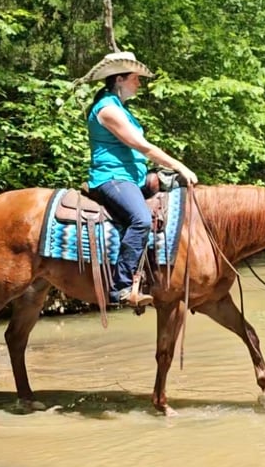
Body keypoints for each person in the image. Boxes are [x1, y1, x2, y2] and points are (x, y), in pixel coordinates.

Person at [78, 51, 198, 307]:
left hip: (133, 176)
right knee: (141, 219)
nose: (139, 84)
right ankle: (120, 287)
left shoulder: (118, 106)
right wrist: (180, 166)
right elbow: (143, 146)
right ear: (119, 79)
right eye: (135, 79)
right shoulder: (108, 110)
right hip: (112, 177)